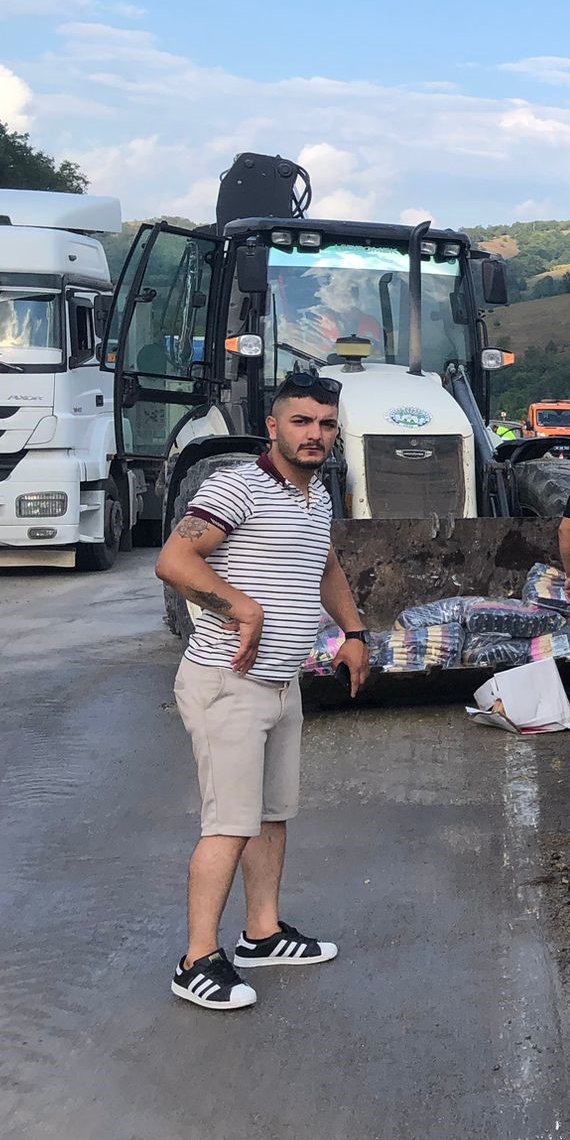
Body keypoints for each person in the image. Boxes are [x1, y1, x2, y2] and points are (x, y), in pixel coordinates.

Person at [154, 371, 370, 1011]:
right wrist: (241, 607)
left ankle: (262, 933)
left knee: (272, 815)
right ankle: (196, 960)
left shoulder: (316, 494)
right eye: (301, 421)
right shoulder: (236, 486)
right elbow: (174, 561)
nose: (315, 434)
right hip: (228, 683)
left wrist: (354, 631)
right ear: (273, 426)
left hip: (281, 682)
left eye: (326, 424)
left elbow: (324, 565)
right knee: (228, 825)